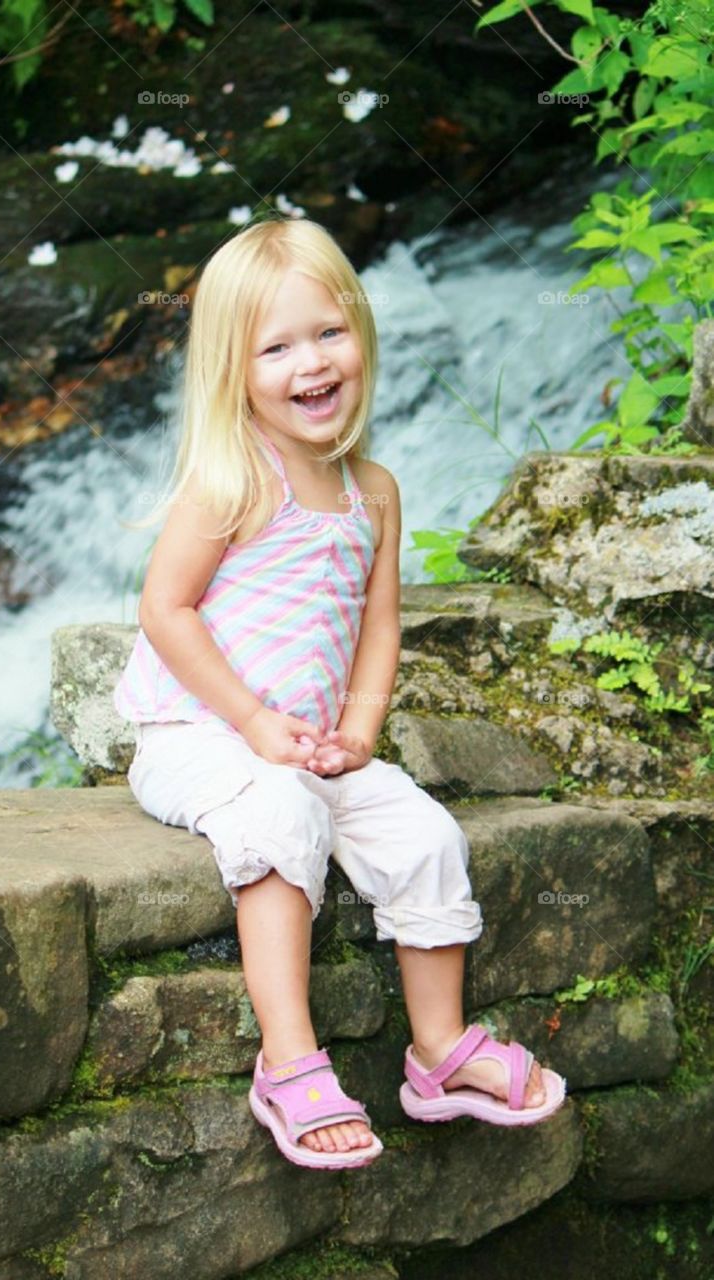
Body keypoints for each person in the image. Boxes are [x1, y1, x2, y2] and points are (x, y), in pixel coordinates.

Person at [114, 215, 566, 1170]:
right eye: (274, 348)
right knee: (279, 818)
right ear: (232, 372)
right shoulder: (233, 479)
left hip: (311, 743)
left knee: (426, 834)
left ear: (363, 334)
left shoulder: (375, 490)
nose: (309, 363)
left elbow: (379, 621)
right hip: (197, 733)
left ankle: (438, 1052)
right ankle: (288, 1062)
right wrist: (250, 721)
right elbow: (166, 609)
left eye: (328, 333)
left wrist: (359, 733)